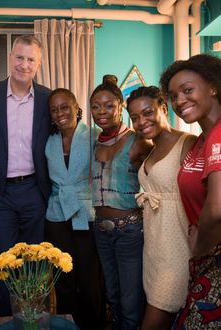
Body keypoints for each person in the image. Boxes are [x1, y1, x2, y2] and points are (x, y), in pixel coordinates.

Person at [0, 35, 51, 316]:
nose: (24, 64)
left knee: (38, 261)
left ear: (39, 63)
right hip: (1, 194)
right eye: (20, 57)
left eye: (31, 59)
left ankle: (38, 318)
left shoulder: (49, 98)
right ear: (11, 58)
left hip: (36, 191)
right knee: (4, 263)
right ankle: (9, 319)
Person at [126, 86, 196, 330]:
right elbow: (134, 154)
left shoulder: (188, 143)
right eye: (134, 117)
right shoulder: (150, 149)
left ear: (164, 109)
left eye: (148, 112)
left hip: (178, 250)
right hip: (154, 248)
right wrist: (139, 134)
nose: (141, 121)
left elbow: (203, 197)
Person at [160, 54, 221, 329]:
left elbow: (217, 208)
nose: (179, 101)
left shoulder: (219, 134)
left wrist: (199, 247)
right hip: (204, 260)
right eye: (173, 96)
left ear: (212, 87)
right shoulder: (201, 140)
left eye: (187, 90)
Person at [90, 74, 152, 330]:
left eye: (108, 106)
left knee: (130, 300)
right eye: (95, 106)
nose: (101, 112)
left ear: (120, 107)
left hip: (129, 231)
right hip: (100, 229)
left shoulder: (139, 142)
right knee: (112, 295)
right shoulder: (92, 142)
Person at [45, 88, 105, 329]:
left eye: (65, 106)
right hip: (57, 214)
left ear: (76, 108)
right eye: (54, 109)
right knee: (63, 278)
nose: (60, 113)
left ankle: (94, 325)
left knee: (89, 277)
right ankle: (66, 324)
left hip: (85, 213)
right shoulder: (48, 141)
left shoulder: (94, 135)